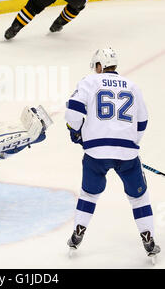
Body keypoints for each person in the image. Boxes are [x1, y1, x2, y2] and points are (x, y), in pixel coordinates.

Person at [64, 48, 161, 260]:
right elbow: (143, 121)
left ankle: (78, 231)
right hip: (127, 154)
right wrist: (130, 144)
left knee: (89, 194)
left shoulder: (89, 81)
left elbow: (73, 110)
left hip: (95, 152)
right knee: (139, 196)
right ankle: (148, 236)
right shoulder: (133, 86)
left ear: (99, 65)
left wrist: (76, 131)